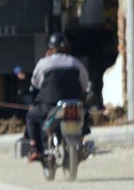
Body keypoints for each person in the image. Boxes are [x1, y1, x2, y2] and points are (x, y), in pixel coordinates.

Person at [26, 32, 91, 161]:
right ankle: (81, 143)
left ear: (50, 48)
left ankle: (34, 148)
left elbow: (35, 83)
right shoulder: (75, 63)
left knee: (31, 116)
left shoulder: (44, 63)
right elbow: (84, 84)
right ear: (66, 47)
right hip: (74, 103)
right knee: (84, 116)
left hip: (50, 106)